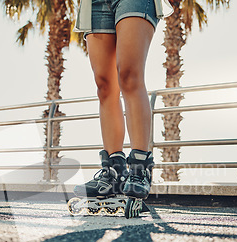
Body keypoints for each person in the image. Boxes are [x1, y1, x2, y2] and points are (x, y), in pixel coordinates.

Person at [73, 0, 173, 201]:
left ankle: (139, 169)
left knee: (129, 74)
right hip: (94, 4)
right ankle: (113, 172)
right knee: (104, 86)